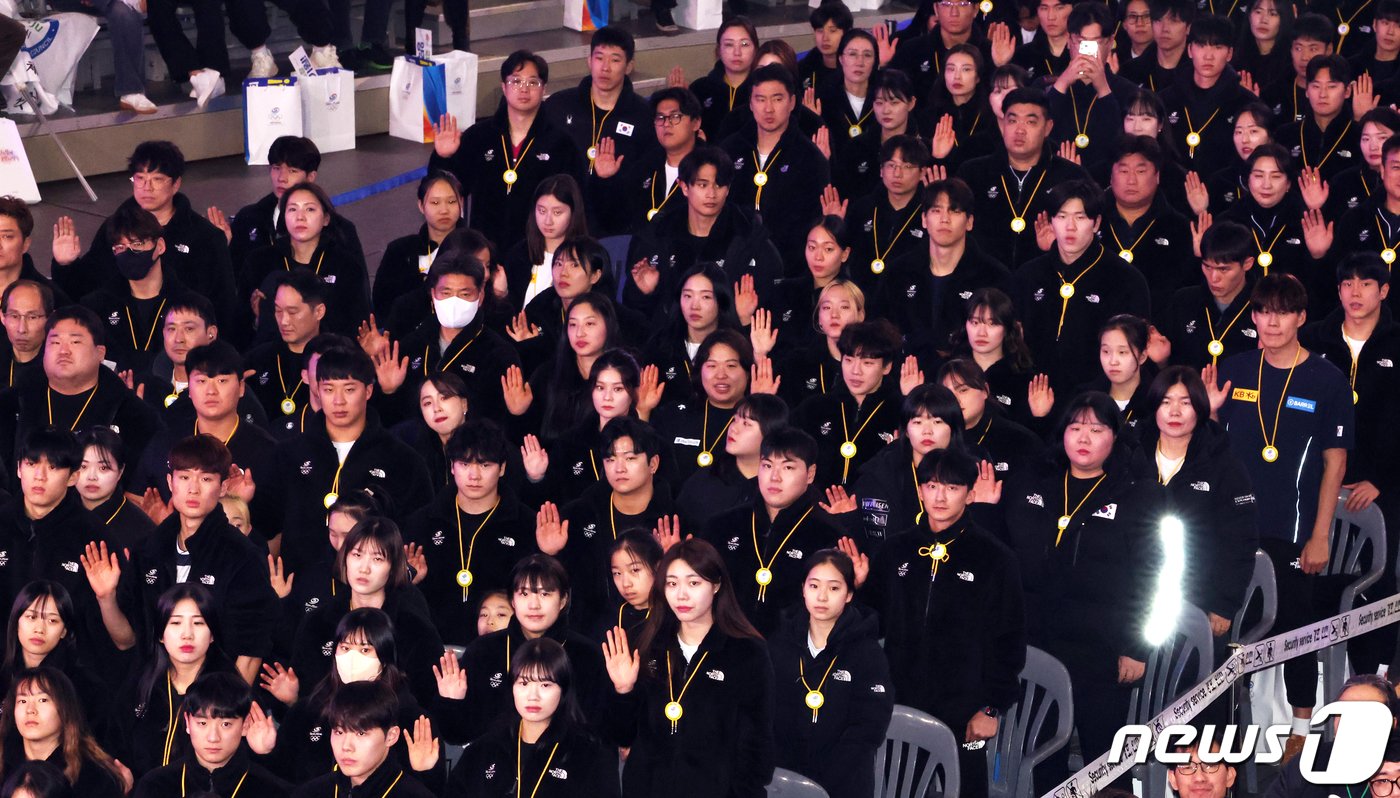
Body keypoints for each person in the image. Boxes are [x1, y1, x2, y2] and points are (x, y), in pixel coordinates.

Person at [1212, 272, 1353, 758]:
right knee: (1225, 624)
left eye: (1281, 312)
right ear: (1252, 317)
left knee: (1296, 623)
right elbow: (1211, 449)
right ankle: (1229, 722)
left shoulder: (1326, 378)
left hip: (1292, 528)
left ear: (1300, 317)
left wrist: (1321, 534)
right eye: (1262, 312)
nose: (1270, 321)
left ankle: (1300, 727)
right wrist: (1209, 413)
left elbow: (1335, 461)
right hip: (1234, 528)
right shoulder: (1235, 368)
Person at [1000, 392, 1166, 788]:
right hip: (1039, 638)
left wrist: (1135, 646)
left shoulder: (1137, 495)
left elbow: (1152, 576)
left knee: (1104, 755)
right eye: (1075, 428)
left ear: (1115, 437)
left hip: (1104, 644)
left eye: (1096, 429)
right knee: (1043, 748)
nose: (1084, 438)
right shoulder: (1034, 483)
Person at [861, 447, 1026, 798]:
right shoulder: (895, 550)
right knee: (897, 786)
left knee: (967, 789)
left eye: (952, 488)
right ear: (920, 490)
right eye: (932, 485)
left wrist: (991, 707)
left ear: (969, 494)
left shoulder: (994, 557)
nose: (940, 496)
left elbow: (1009, 639)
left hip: (966, 705)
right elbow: (871, 621)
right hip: (901, 697)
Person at [601, 538, 775, 798]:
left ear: (716, 585)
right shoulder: (645, 643)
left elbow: (756, 751)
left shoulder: (747, 652)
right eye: (672, 583)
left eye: (693, 583)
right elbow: (621, 737)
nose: (681, 594)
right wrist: (623, 690)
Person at [1300, 253, 1400, 676]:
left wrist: (1380, 479)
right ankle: (1313, 686)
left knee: (1375, 581)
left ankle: (1374, 678)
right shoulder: (1314, 340)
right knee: (1313, 578)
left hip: (1381, 487)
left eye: (1365, 284)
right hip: (1319, 482)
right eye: (1347, 284)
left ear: (1384, 291)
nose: (1355, 293)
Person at [261, 346, 433, 574]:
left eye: (349, 389)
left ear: (369, 390)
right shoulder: (288, 454)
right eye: (329, 389)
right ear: (317, 390)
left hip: (373, 591)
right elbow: (267, 525)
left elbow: (416, 534)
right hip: (302, 592)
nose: (338, 401)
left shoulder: (402, 460)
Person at [123, 435, 279, 684]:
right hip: (154, 692)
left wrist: (223, 708)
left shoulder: (243, 556)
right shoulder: (148, 549)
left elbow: (250, 651)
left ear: (224, 487)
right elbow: (128, 638)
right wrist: (106, 596)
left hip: (215, 697)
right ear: (170, 482)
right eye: (184, 477)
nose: (193, 489)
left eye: (206, 479)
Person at [50, 142, 237, 332]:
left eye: (157, 179)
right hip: (120, 339)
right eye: (140, 178)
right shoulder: (113, 229)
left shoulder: (204, 236)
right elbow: (84, 293)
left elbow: (224, 304)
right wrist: (66, 265)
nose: (147, 187)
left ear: (176, 184)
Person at [1141, 366, 1258, 641]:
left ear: (1200, 408)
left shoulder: (1225, 466)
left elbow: (1240, 541)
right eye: (1166, 402)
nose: (1174, 412)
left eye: (1186, 403)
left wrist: (1223, 604)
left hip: (1198, 599)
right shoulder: (1130, 456)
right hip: (1134, 595)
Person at [429, 51, 587, 252]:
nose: (524, 89)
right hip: (483, 252)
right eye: (516, 81)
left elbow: (576, 201)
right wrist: (443, 157)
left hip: (537, 251)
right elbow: (449, 190)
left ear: (543, 88)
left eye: (532, 83)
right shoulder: (479, 136)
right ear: (504, 87)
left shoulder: (561, 143)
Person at [441, 555, 607, 744]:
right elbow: (456, 735)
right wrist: (451, 702)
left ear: (562, 600)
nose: (534, 605)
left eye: (545, 594)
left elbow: (600, 733)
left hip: (567, 766)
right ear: (512, 600)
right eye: (524, 594)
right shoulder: (483, 651)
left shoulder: (586, 655)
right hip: (496, 766)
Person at [402, 419, 538, 645]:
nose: (474, 475)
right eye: (465, 464)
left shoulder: (526, 523)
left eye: (485, 465)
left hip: (504, 649)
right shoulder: (421, 522)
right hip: (432, 646)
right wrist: (408, 579)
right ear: (452, 466)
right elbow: (397, 593)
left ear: (502, 468)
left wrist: (551, 552)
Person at [267, 609, 440, 787]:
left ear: (385, 656)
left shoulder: (411, 720)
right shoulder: (307, 711)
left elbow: (427, 789)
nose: (352, 658)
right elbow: (281, 779)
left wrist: (423, 772)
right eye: (345, 648)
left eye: (365, 649)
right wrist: (263, 752)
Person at [769, 550, 892, 798]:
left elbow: (869, 726)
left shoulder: (867, 652)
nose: (822, 597)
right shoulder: (778, 643)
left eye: (834, 588)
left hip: (843, 784)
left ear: (848, 594)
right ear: (803, 588)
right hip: (784, 779)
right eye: (814, 586)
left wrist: (823, 781)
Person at [1009, 179, 1150, 392]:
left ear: (1096, 223)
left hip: (1096, 401)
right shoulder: (1028, 275)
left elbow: (1134, 349)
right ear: (1051, 221)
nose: (1070, 227)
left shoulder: (1126, 279)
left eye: (1080, 217)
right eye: (1062, 217)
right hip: (1029, 393)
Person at [701, 427, 842, 635]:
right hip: (726, 644)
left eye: (787, 468)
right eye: (767, 465)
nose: (774, 477)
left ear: (810, 474)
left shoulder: (829, 535)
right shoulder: (722, 525)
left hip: (794, 652)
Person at [285, 517, 442, 705]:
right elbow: (305, 700)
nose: (364, 569)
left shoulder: (414, 627)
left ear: (393, 566)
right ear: (345, 559)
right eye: (357, 555)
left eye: (377, 558)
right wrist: (290, 700)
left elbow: (426, 702)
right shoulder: (317, 623)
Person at [445, 638, 621, 797]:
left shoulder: (590, 754)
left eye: (545, 685)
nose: (533, 695)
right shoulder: (484, 748)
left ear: (563, 689)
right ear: (512, 687)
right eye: (524, 683)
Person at [545, 417, 675, 631]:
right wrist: (551, 554)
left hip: (657, 633)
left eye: (630, 458)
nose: (619, 468)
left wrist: (674, 560)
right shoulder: (577, 515)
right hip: (589, 635)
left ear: (653, 463)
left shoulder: (674, 520)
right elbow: (555, 585)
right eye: (610, 459)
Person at [624, 147, 783, 319]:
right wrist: (643, 293)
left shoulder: (750, 237)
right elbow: (634, 316)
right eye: (702, 185)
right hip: (670, 339)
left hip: (729, 339)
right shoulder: (659, 233)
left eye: (719, 185)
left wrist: (741, 320)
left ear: (728, 189)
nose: (711, 194)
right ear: (684, 187)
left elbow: (773, 303)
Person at [0, 428, 114, 666]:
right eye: (31, 464)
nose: (39, 476)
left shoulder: (93, 536)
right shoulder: (3, 521)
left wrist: (108, 597)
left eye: (52, 467)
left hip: (69, 675)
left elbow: (118, 637)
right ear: (19, 469)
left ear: (73, 477)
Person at [106, 585, 240, 779]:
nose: (187, 634)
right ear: (160, 634)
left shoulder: (231, 691)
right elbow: (113, 747)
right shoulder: (140, 686)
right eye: (176, 623)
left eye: (199, 623)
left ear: (212, 635)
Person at [130, 342, 277, 512]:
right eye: (201, 381)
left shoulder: (265, 450)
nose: (211, 391)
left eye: (222, 380)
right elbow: (135, 499)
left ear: (241, 387)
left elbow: (275, 532)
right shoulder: (166, 442)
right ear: (189, 389)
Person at [956, 88, 1092, 266]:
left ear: (1047, 127)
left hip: (1046, 279)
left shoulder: (1071, 176)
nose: (1019, 130)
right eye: (1012, 121)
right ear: (1003, 124)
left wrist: (1054, 248)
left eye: (1030, 122)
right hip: (982, 280)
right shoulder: (972, 172)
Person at [214, 137, 362, 299]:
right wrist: (221, 248)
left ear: (311, 177)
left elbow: (359, 294)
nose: (281, 178)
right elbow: (232, 283)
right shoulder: (249, 218)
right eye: (276, 168)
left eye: (292, 171)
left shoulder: (341, 228)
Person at [880, 178, 1010, 362]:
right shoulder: (898, 273)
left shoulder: (994, 276)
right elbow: (881, 332)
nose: (944, 219)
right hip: (907, 376)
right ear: (924, 219)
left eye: (954, 211)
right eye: (936, 210)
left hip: (971, 380)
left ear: (969, 222)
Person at [719, 64, 829, 272]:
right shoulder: (729, 150)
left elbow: (812, 223)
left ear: (792, 102)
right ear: (750, 103)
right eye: (760, 100)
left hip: (788, 268)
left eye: (777, 99)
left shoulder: (810, 158)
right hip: (731, 266)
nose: (768, 109)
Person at [392, 251, 521, 423]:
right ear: (432, 295)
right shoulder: (410, 346)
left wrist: (520, 411)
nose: (454, 302)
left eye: (465, 294)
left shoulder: (499, 354)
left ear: (480, 296)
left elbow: (500, 421)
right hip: (415, 447)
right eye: (446, 293)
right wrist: (388, 390)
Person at [846, 385, 974, 548]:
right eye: (918, 422)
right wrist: (846, 518)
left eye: (937, 421)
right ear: (906, 430)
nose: (927, 431)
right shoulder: (879, 472)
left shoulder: (973, 469)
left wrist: (985, 508)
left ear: (953, 428)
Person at [244, 182, 370, 342]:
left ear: (325, 218)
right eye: (292, 209)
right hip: (275, 358)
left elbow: (358, 325)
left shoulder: (345, 265)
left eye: (310, 209)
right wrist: (260, 321)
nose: (300, 217)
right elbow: (240, 327)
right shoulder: (260, 262)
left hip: (330, 358)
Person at [131, 672, 289, 798]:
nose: (213, 737)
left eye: (225, 724)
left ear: (245, 725)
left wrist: (267, 755)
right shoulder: (156, 786)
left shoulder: (270, 789)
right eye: (202, 723)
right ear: (187, 723)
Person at [1101, 136, 1196, 323]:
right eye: (1123, 170)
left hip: (1157, 330)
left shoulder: (1179, 227)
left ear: (1157, 176)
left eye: (1141, 171)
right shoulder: (1091, 220)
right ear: (1111, 176)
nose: (1131, 180)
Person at [288, 680, 437, 798]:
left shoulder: (413, 793)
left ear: (391, 736)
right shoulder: (310, 792)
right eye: (339, 732)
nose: (346, 746)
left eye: (360, 734)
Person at [543, 27, 657, 178]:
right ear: (589, 61)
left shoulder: (643, 115)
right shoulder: (558, 105)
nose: (605, 68)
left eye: (615, 60)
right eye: (599, 58)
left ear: (629, 66)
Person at [590, 87, 702, 237]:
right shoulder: (645, 167)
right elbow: (614, 222)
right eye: (660, 118)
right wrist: (606, 181)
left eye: (675, 116)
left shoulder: (710, 166)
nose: (666, 124)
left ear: (696, 123)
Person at [1159, 15, 1258, 180]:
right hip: (1171, 189)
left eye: (1217, 47)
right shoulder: (1166, 99)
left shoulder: (1246, 103)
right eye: (1201, 45)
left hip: (1226, 191)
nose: (1208, 56)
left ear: (1229, 53)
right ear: (1190, 50)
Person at [0, 668, 124, 796]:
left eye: (43, 700)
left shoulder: (92, 775)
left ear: (65, 709)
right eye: (23, 701)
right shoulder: (5, 764)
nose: (30, 710)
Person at [675, 393, 788, 531]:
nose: (733, 428)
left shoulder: (785, 486)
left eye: (746, 423)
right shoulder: (705, 479)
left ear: (770, 433)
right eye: (735, 420)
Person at [0, 582, 108, 722]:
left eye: (52, 620)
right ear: (16, 622)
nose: (39, 629)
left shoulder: (86, 687)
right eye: (31, 617)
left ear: (64, 631)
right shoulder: (4, 675)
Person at [840, 136, 933, 296]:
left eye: (907, 166)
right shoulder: (862, 209)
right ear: (881, 170)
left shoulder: (930, 211)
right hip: (861, 299)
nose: (897, 173)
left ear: (922, 172)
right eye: (891, 165)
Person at [241, 270, 327, 441]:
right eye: (278, 311)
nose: (284, 320)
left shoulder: (336, 359)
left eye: (293, 312)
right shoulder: (257, 359)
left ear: (319, 312)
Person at [1164, 221, 1260, 370]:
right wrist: (1161, 360)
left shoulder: (1264, 306)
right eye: (1207, 266)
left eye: (1224, 269)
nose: (1214, 277)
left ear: (1247, 264)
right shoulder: (1183, 301)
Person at [371, 171, 464, 325]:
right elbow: (382, 303)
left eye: (452, 202)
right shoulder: (399, 250)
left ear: (461, 202)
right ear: (421, 206)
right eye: (435, 202)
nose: (444, 210)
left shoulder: (476, 248)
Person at [502, 176, 591, 312]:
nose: (548, 221)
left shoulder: (588, 254)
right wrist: (502, 295)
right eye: (542, 211)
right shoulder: (519, 254)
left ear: (573, 213)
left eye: (557, 212)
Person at [76, 427, 155, 553]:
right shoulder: (59, 516)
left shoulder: (142, 531)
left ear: (120, 471)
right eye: (83, 466)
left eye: (103, 468)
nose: (92, 477)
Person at [688, 19, 759, 139]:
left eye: (744, 44)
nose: (737, 52)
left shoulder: (763, 90)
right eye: (729, 44)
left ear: (756, 50)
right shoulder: (700, 89)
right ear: (718, 50)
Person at [0, 280, 53, 392]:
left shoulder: (60, 365)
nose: (22, 329)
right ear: (2, 317)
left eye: (32, 317)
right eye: (14, 316)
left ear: (50, 319)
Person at [607, 532, 663, 638]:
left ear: (657, 567)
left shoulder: (673, 619)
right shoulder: (610, 619)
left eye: (635, 570)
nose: (626, 583)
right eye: (617, 573)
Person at [797, 3, 852, 91]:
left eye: (832, 31)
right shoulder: (803, 69)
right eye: (820, 31)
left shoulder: (858, 68)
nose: (825, 38)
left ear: (847, 33)